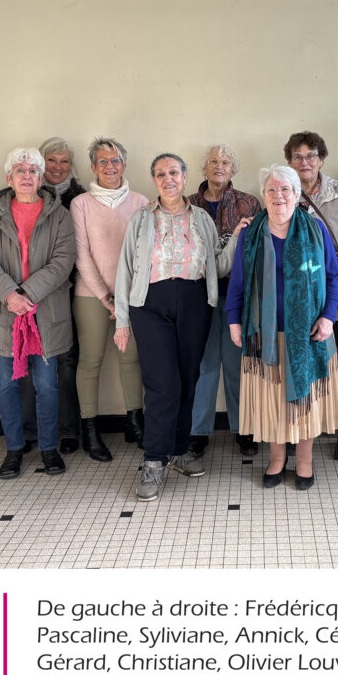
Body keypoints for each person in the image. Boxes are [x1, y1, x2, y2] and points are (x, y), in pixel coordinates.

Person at [113, 154, 238, 502]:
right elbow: (125, 270)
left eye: (173, 172)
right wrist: (122, 320)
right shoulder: (141, 218)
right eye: (160, 173)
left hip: (195, 301)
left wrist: (237, 239)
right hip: (150, 305)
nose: (167, 178)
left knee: (187, 379)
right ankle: (154, 459)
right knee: (161, 383)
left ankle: (180, 449)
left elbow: (216, 265)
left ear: (184, 177)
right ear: (154, 180)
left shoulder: (201, 218)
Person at [227, 164, 338, 490]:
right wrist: (234, 320)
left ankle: (304, 460)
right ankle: (277, 458)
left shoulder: (315, 230)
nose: (278, 196)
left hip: (308, 333)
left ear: (296, 194)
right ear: (263, 196)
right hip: (264, 333)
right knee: (272, 400)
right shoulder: (250, 234)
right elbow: (238, 283)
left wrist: (328, 317)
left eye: (285, 189)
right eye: (271, 190)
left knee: (306, 399)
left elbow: (333, 277)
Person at [0, 148, 76, 479]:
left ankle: (48, 448)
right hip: (5, 312)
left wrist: (27, 294)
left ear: (41, 178)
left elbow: (63, 260)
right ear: (9, 178)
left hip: (44, 309)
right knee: (8, 386)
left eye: (33, 171)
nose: (27, 176)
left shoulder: (59, 214)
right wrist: (10, 295)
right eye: (20, 170)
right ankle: (14, 449)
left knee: (47, 385)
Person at [285, 131, 338, 461]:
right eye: (297, 156)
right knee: (300, 364)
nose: (304, 162)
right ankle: (298, 432)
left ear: (321, 159)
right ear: (289, 161)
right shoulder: (283, 191)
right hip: (298, 294)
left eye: (311, 155)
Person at [71, 137, 148, 461]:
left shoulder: (141, 202)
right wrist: (105, 295)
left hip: (131, 296)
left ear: (124, 165)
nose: (110, 166)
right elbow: (81, 255)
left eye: (115, 160)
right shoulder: (81, 204)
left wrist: (125, 296)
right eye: (102, 161)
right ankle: (90, 431)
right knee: (91, 361)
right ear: (93, 167)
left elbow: (145, 253)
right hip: (91, 295)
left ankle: (135, 424)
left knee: (131, 359)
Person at [187, 144, 262, 459]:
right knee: (203, 364)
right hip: (198, 294)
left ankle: (243, 428)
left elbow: (257, 249)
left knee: (236, 363)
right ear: (204, 168)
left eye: (226, 162)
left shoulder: (249, 203)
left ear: (233, 169)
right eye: (214, 161)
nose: (219, 166)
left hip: (236, 293)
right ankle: (197, 431)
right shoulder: (187, 204)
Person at [18, 137, 85, 455]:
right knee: (29, 359)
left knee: (66, 361)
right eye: (52, 161)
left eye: (64, 161)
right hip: (27, 293)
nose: (58, 167)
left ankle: (69, 429)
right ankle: (31, 430)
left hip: (69, 289)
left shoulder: (80, 197)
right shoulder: (24, 195)